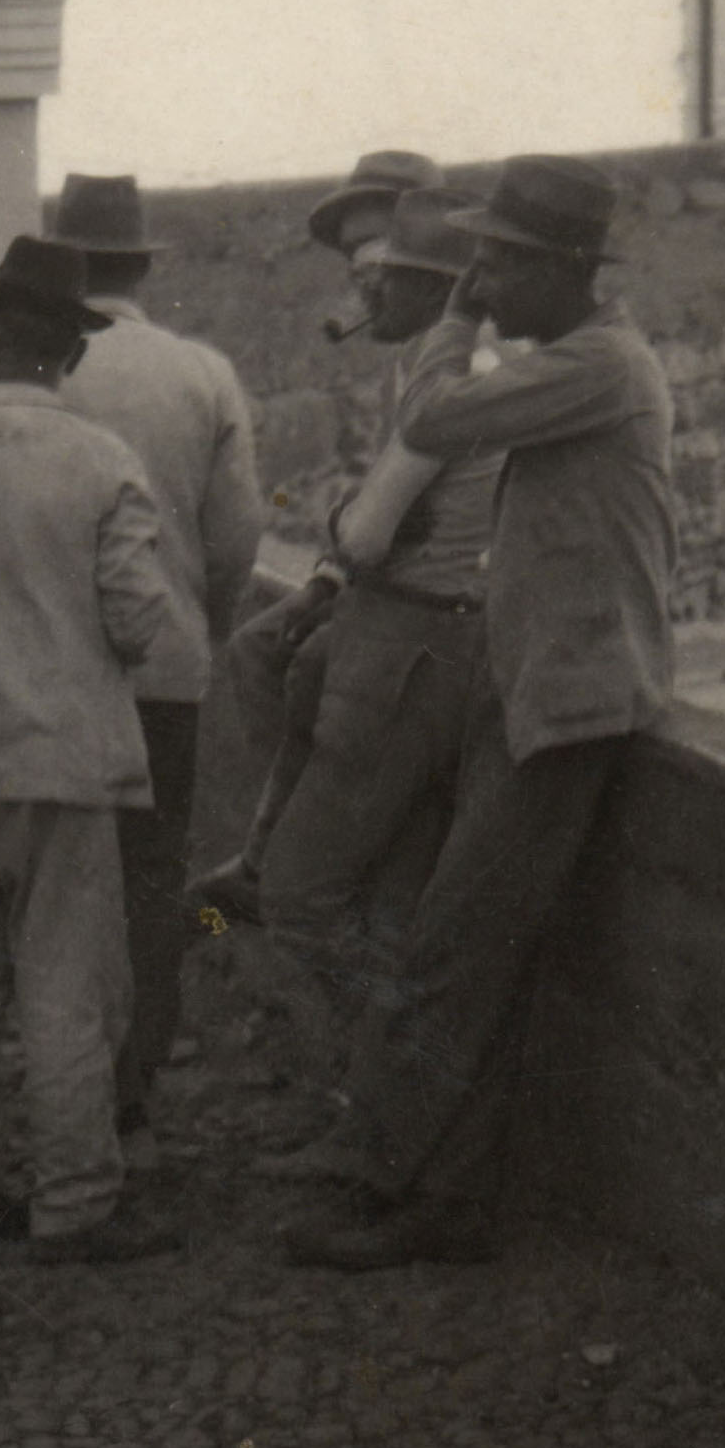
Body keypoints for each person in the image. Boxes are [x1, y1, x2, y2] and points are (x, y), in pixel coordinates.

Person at [280, 154, 674, 1272]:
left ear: (561, 270)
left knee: (449, 951)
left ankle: (412, 1197)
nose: (483, 281)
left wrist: (447, 320)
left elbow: (438, 417)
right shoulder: (578, 362)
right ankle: (418, 1181)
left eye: (499, 262)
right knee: (467, 954)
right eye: (478, 263)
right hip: (536, 691)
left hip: (567, 705)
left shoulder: (598, 365)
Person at [0, 233, 208, 1268]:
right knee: (65, 989)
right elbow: (140, 623)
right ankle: (73, 1202)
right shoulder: (105, 464)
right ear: (69, 353)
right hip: (62, 768)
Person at [223, 184, 508, 1112]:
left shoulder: (444, 379)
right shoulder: (454, 367)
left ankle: (400, 1093)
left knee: (305, 903)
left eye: (382, 280)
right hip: (434, 645)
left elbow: (370, 531)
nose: (365, 300)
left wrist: (342, 525)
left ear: (431, 289)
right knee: (383, 904)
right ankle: (389, 1106)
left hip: (409, 651)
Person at [34, 173, 262, 1150]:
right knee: (154, 872)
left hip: (47, 674)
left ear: (64, 267)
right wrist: (195, 630)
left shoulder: (21, 371)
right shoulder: (201, 373)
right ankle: (138, 1071)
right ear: (138, 267)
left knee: (52, 878)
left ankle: (59, 1079)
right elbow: (237, 539)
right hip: (163, 671)